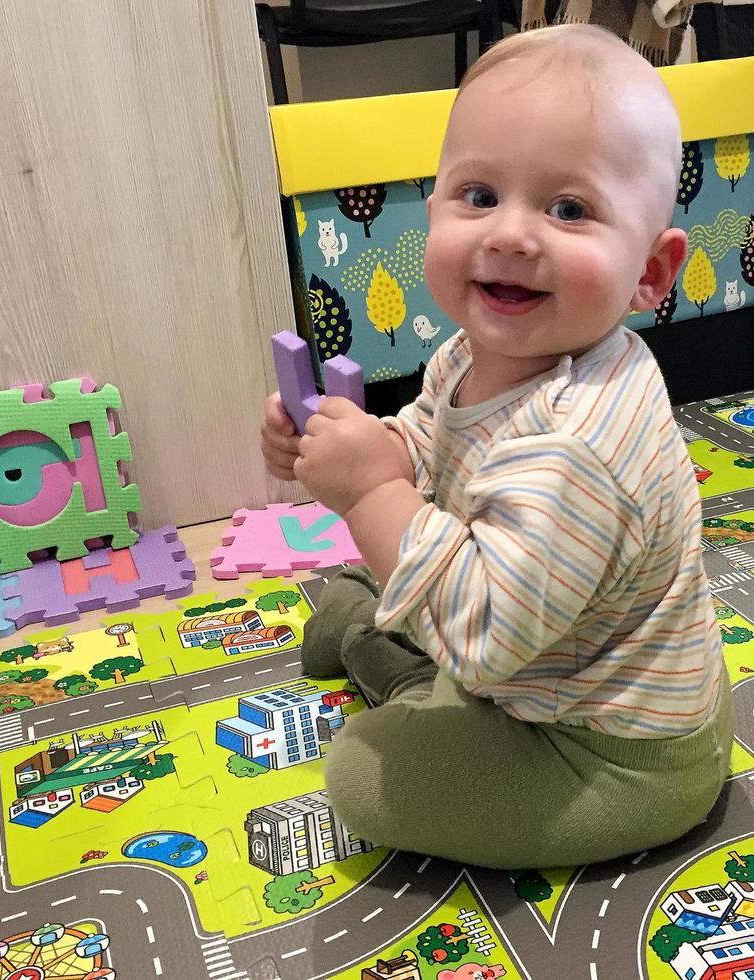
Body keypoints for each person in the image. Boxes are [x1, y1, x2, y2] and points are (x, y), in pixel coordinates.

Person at [260, 24, 734, 869]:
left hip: (609, 754)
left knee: (359, 776)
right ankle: (396, 650)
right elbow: (432, 442)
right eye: (477, 195)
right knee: (391, 568)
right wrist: (357, 447)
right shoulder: (477, 351)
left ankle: (404, 678)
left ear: (650, 275)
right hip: (546, 653)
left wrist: (369, 494)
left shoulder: (579, 446)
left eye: (568, 209)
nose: (511, 234)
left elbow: (487, 638)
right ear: (430, 203)